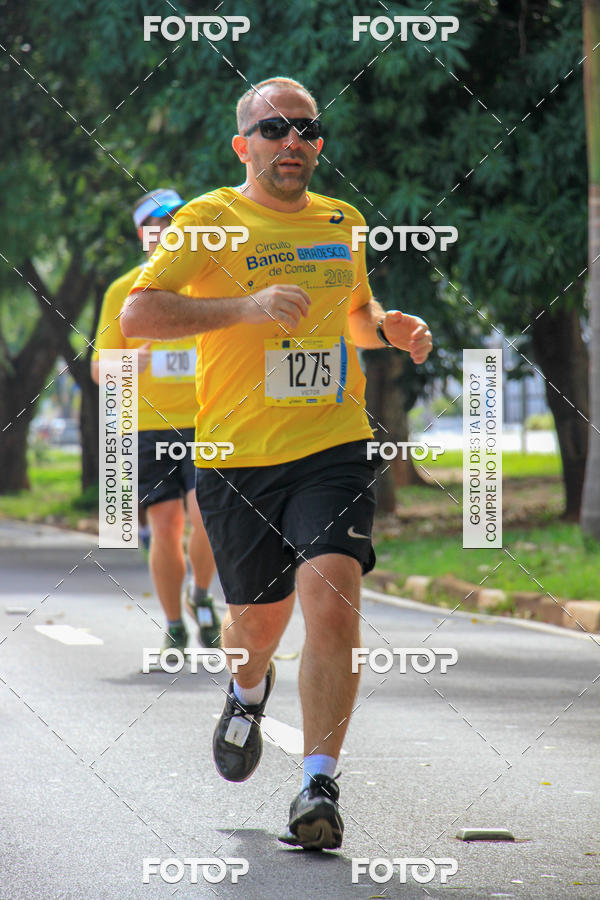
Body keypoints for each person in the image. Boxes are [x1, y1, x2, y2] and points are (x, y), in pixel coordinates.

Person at [121, 78, 432, 850]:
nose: (291, 140)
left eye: (305, 128)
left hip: (331, 445)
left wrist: (389, 328)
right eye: (273, 129)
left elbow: (354, 318)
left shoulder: (343, 221)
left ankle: (318, 784)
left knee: (333, 595)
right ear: (244, 145)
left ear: (318, 144)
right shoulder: (206, 223)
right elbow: (138, 314)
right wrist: (243, 310)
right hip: (236, 459)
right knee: (255, 624)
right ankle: (246, 687)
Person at [91, 188, 220, 651]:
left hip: (206, 420)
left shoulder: (209, 280)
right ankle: (173, 624)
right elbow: (99, 370)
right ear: (143, 235)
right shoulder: (123, 291)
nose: (167, 230)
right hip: (145, 425)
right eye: (156, 224)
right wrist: (131, 365)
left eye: (175, 220)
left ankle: (201, 595)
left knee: (205, 515)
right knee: (164, 525)